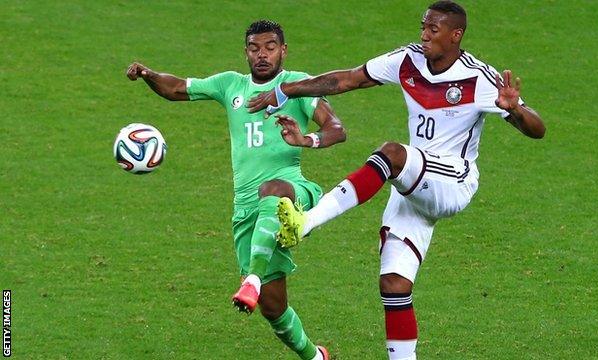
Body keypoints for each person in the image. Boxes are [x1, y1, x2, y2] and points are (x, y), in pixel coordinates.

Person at [247, 2, 545, 359]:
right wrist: (286, 90)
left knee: (392, 154)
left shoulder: (479, 77)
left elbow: (537, 130)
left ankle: (306, 222)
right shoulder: (408, 60)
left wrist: (516, 110)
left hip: (453, 181)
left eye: (433, 30)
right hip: (414, 186)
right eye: (423, 26)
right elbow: (347, 79)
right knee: (394, 285)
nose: (424, 35)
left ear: (456, 35)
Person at [126, 20, 344, 360]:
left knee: (273, 189)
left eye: (270, 47)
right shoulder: (231, 86)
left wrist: (306, 139)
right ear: (246, 52)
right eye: (255, 48)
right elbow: (177, 88)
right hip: (246, 210)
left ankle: (252, 280)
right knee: (275, 310)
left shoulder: (296, 86)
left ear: (283, 50)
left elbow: (336, 129)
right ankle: (315, 356)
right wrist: (149, 74)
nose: (262, 54)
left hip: (292, 190)